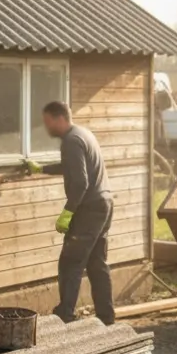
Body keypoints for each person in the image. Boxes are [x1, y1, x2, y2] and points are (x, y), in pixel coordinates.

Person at [24, 101, 116, 326]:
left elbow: (80, 182)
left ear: (59, 119)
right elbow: (72, 167)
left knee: (70, 262)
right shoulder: (83, 134)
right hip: (104, 202)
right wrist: (42, 169)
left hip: (89, 208)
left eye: (48, 123)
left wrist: (68, 212)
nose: (47, 128)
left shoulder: (71, 141)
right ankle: (106, 317)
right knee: (96, 263)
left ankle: (64, 315)